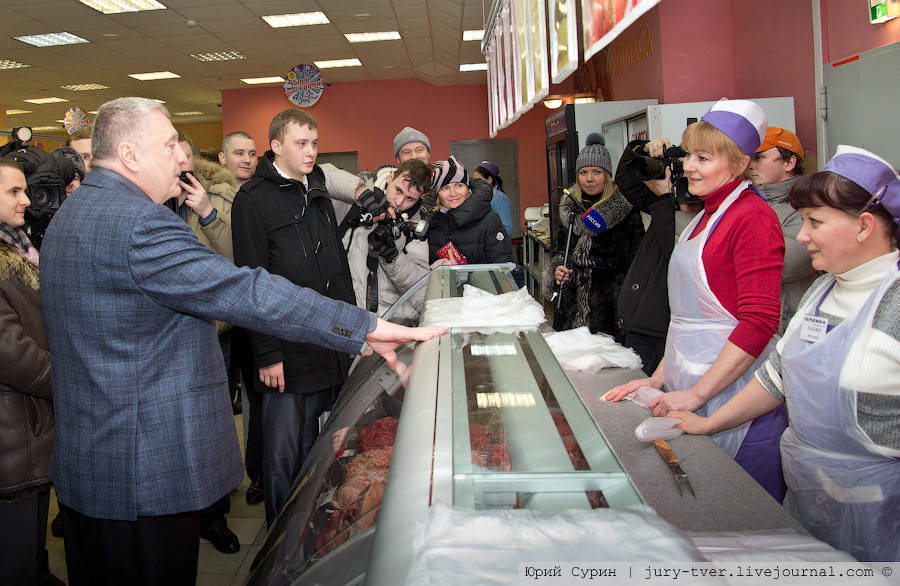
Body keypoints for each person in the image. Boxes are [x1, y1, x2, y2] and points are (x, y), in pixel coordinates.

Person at [38, 97, 445, 585]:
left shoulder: (74, 210)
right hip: (144, 470)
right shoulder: (139, 224)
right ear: (128, 154)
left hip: (93, 466)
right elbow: (245, 289)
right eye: (170, 145)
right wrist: (362, 326)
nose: (184, 158)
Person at [671, 145, 900, 562]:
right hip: (809, 499)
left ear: (865, 226)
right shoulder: (823, 288)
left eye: (814, 222)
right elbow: (777, 377)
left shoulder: (894, 305)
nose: (802, 235)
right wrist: (708, 422)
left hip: (882, 513)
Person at [606, 99, 788, 502]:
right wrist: (658, 379)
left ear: (740, 164)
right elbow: (687, 318)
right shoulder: (705, 215)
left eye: (703, 157)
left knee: (739, 515)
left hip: (735, 396)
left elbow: (759, 322)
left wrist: (699, 393)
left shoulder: (752, 217)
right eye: (689, 154)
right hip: (690, 386)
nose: (688, 166)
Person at [231, 108, 359, 525]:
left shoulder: (317, 190)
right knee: (285, 459)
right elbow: (251, 283)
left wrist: (352, 332)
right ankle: (281, 543)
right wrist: (267, 354)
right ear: (275, 147)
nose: (310, 152)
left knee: (325, 450)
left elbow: (337, 270)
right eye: (301, 144)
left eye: (314, 144)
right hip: (286, 353)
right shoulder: (252, 200)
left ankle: (314, 534)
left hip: (328, 345)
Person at [175, 131, 241, 554]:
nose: (179, 170)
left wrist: (207, 214)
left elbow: (239, 260)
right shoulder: (143, 201)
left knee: (213, 425)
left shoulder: (218, 197)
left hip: (213, 329)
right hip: (167, 335)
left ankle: (213, 516)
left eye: (185, 161)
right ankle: (180, 513)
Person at [0, 158, 64, 586]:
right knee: (14, 556)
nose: (26, 200)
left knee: (30, 547)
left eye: (25, 190)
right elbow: (11, 353)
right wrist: (67, 380)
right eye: (13, 192)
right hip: (11, 435)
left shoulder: (17, 247)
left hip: (29, 428)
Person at [615, 139, 703, 374]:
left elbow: (679, 252)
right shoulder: (665, 201)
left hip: (665, 331)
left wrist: (665, 200)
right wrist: (641, 148)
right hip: (641, 324)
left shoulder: (707, 213)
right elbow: (626, 180)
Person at [545, 133, 644, 337]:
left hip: (609, 309)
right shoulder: (569, 209)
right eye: (583, 172)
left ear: (607, 174)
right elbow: (559, 252)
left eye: (596, 172)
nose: (589, 179)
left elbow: (636, 262)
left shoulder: (624, 210)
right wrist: (557, 272)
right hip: (570, 308)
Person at [338, 158, 432, 315]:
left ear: (421, 197)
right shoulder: (355, 200)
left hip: (385, 317)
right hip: (344, 310)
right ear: (390, 177)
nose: (399, 202)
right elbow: (323, 174)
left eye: (410, 198)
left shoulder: (414, 229)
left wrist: (393, 257)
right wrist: (363, 196)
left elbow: (420, 292)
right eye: (398, 190)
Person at [749, 126, 819, 332]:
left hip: (784, 328)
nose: (750, 165)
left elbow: (784, 264)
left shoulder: (807, 204)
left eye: (759, 158)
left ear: (789, 162)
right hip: (748, 323)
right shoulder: (744, 198)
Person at [427, 156, 513, 265]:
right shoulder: (431, 221)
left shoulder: (489, 221)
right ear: (437, 194)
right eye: (445, 188)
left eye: (459, 185)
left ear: (468, 189)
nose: (453, 193)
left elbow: (503, 267)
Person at [473, 161, 515, 235]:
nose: (475, 184)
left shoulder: (500, 198)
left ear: (489, 179)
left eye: (478, 180)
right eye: (474, 181)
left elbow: (507, 229)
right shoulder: (481, 198)